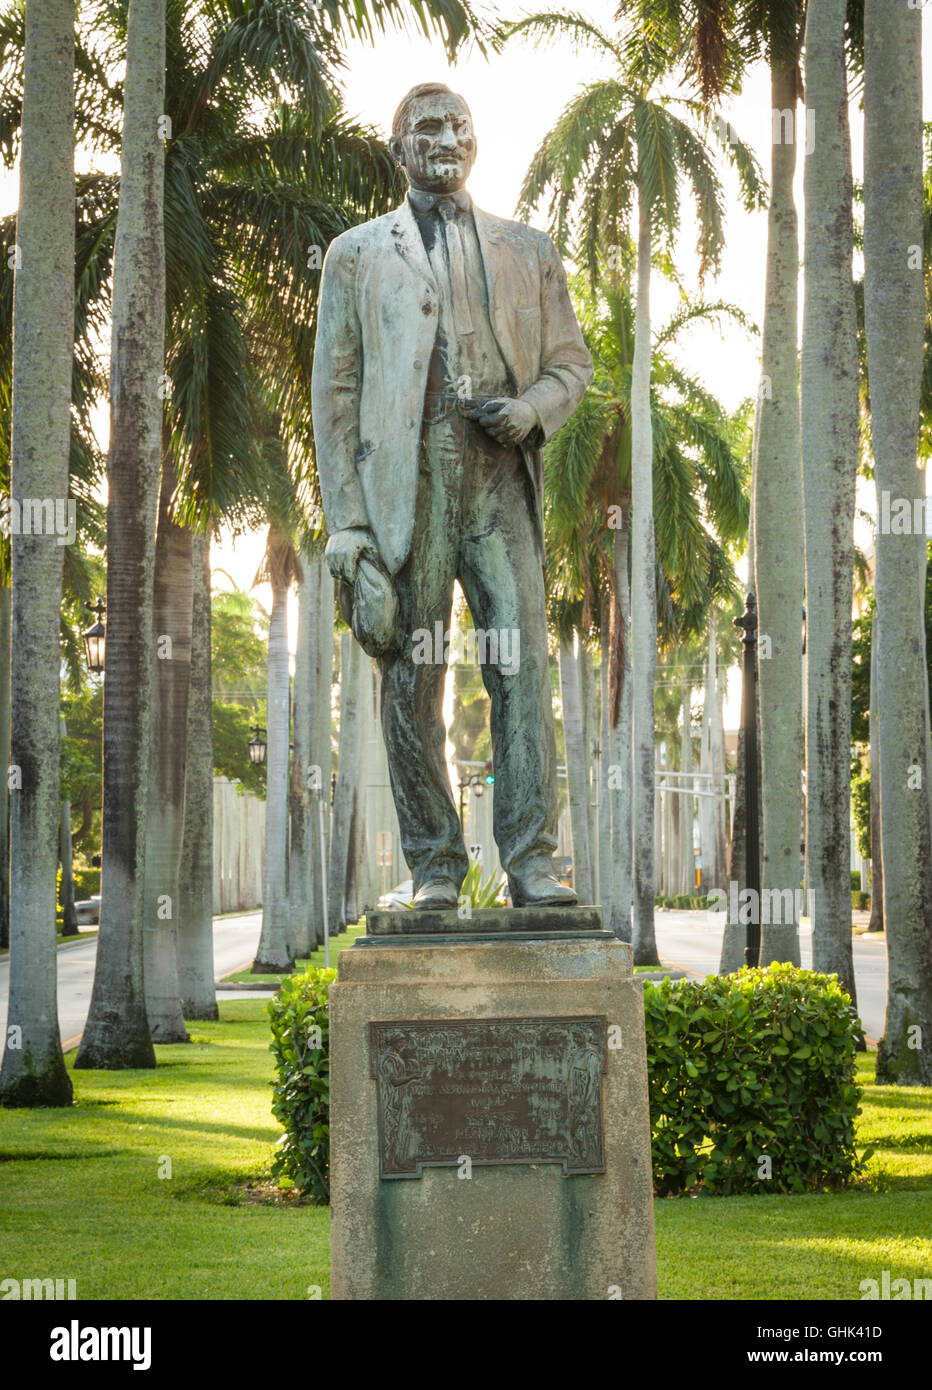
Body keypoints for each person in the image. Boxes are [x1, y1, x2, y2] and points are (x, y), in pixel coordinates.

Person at [312, 82, 593, 911]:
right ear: (397, 149)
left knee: (522, 664)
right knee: (411, 675)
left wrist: (531, 411)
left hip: (500, 470)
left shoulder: (528, 248)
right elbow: (335, 390)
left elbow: (571, 365)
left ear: (477, 141)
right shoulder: (357, 253)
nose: (446, 136)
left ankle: (532, 861)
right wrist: (349, 523)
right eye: (426, 126)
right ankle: (435, 866)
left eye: (459, 124)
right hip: (411, 477)